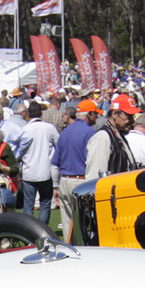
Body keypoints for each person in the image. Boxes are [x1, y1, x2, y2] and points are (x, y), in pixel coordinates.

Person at [51, 99, 95, 243]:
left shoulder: (64, 132)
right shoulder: (90, 132)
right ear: (89, 114)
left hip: (65, 180)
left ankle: (68, 250)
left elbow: (55, 163)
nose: (97, 118)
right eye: (95, 114)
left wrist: (55, 186)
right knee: (85, 224)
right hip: (81, 181)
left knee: (67, 223)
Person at [16, 102, 58, 226]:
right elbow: (59, 144)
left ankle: (28, 230)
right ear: (41, 113)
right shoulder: (49, 128)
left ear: (28, 114)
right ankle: (43, 230)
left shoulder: (24, 129)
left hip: (29, 171)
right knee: (45, 203)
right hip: (45, 171)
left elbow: (19, 151)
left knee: (28, 203)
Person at [84, 94, 138, 180]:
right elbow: (95, 177)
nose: (132, 121)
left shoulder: (118, 135)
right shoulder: (102, 137)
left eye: (132, 116)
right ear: (115, 114)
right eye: (128, 116)